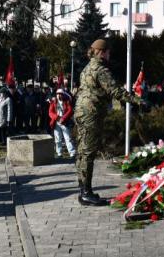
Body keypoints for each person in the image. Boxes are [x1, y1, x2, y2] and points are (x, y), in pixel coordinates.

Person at [74, 39, 142, 206]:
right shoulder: (100, 69)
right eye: (108, 52)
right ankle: (86, 193)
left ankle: (83, 189)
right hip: (91, 113)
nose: (109, 55)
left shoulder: (88, 67)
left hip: (81, 111)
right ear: (102, 52)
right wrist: (138, 101)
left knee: (82, 151)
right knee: (88, 152)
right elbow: (115, 90)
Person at [49, 89, 76, 159]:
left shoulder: (67, 102)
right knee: (57, 139)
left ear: (63, 94)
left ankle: (72, 153)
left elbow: (70, 111)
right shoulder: (53, 102)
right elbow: (50, 112)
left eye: (60, 94)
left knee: (68, 138)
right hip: (56, 122)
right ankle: (59, 153)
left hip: (65, 122)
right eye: (57, 94)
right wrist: (57, 117)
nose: (59, 95)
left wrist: (63, 118)